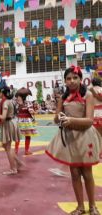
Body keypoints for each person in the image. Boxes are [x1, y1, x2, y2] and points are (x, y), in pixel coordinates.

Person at [46, 66, 101, 215]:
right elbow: (56, 118)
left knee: (87, 174)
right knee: (75, 173)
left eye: (75, 78)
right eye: (68, 78)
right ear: (64, 81)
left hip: (85, 137)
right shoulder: (63, 98)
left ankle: (92, 206)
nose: (71, 81)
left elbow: (89, 120)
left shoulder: (88, 95)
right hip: (69, 138)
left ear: (80, 79)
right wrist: (59, 118)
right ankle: (80, 207)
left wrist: (70, 119)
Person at [0, 86, 22, 175]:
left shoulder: (5, 102)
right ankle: (17, 162)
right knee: (5, 145)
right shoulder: (9, 101)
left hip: (8, 123)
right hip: (11, 122)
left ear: (2, 93)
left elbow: (3, 117)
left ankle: (13, 169)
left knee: (8, 147)